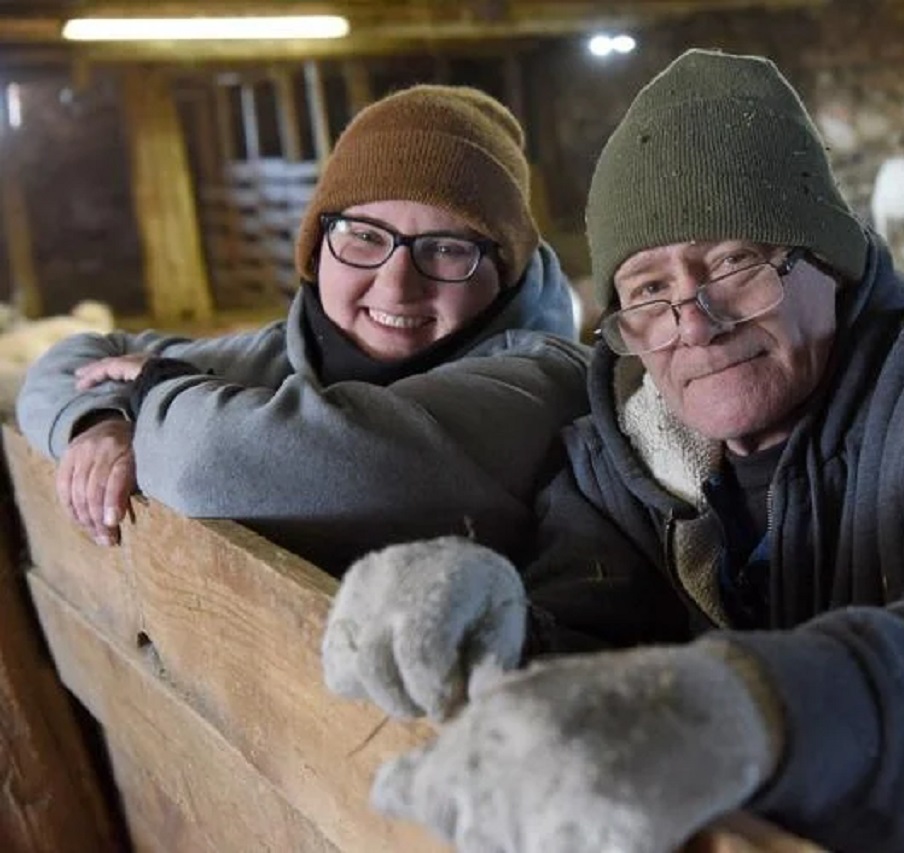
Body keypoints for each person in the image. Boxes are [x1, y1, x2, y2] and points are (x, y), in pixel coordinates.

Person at [321, 50, 904, 852]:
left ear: (827, 260)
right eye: (648, 290)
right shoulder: (624, 460)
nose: (692, 322)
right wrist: (494, 629)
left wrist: (746, 708)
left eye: (733, 263)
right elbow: (589, 639)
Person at [16, 84, 589, 576]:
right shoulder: (289, 349)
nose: (395, 286)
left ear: (504, 271)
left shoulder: (538, 382)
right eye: (364, 236)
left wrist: (154, 392)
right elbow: (77, 359)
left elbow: (206, 462)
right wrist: (99, 421)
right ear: (318, 248)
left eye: (445, 249)